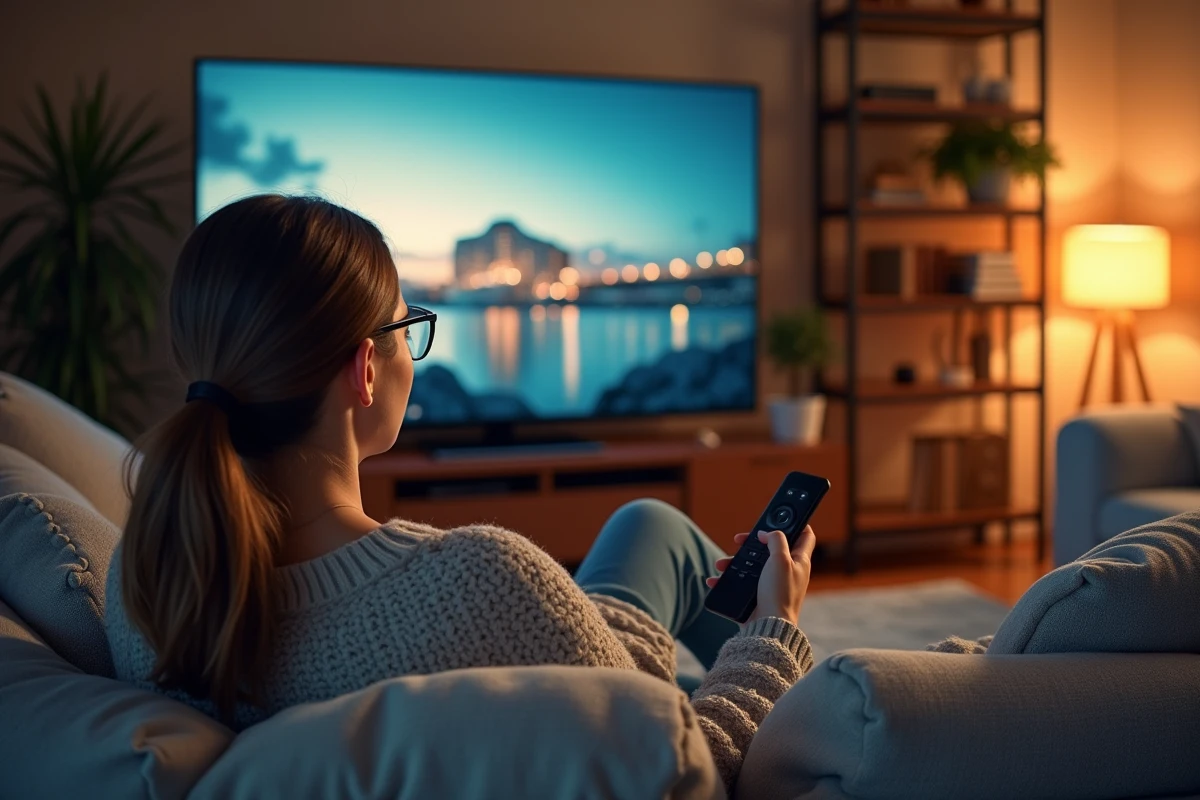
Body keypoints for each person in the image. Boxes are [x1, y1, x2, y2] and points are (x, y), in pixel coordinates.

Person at [105, 195, 817, 791]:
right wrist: (771, 630)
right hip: (627, 701)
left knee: (647, 524)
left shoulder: (147, 585)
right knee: (732, 583)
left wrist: (583, 627)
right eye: (407, 327)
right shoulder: (480, 583)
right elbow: (694, 770)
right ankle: (815, 710)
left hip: (571, 661)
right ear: (365, 370)